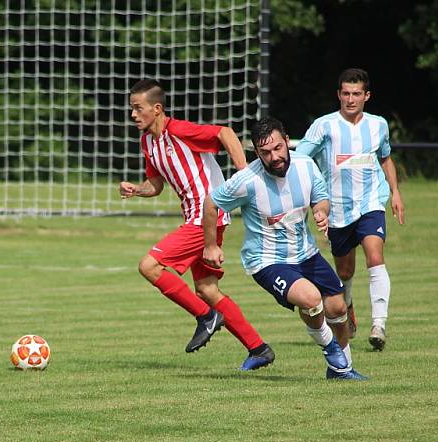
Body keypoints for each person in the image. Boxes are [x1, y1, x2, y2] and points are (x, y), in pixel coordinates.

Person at [119, 78, 275, 367]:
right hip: (198, 219)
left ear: (156, 108)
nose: (133, 114)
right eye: (131, 109)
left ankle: (205, 316)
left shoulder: (178, 130)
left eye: (138, 109)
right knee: (207, 289)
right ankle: (258, 348)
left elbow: (226, 134)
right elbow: (155, 184)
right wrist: (137, 190)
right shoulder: (148, 142)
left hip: (207, 217)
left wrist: (243, 174)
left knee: (149, 266)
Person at [202, 117, 367, 380]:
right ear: (257, 153)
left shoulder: (305, 165)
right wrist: (210, 246)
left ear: (287, 141)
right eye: (265, 152)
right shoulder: (247, 180)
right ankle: (331, 350)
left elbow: (320, 198)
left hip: (306, 253)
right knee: (311, 299)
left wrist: (320, 212)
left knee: (337, 308)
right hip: (267, 260)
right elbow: (211, 204)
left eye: (278, 148)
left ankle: (341, 368)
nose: (274, 157)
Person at [295, 68, 405, 351]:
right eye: (346, 93)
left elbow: (386, 159)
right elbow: (300, 158)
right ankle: (349, 304)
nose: (351, 99)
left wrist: (395, 193)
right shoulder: (324, 126)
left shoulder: (378, 125)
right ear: (338, 95)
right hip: (337, 209)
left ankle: (379, 324)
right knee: (344, 272)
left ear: (366, 96)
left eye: (357, 94)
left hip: (370, 203)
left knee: (375, 256)